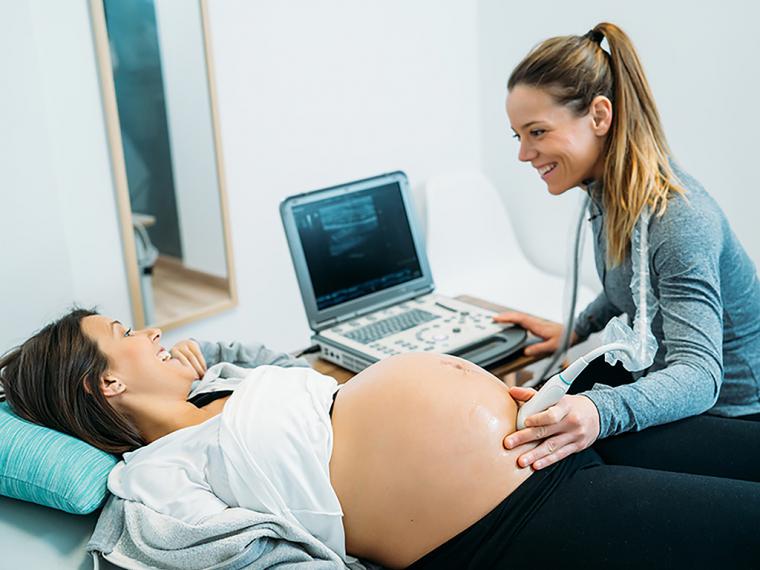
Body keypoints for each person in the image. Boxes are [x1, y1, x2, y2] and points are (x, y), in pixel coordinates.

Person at [2, 308, 760, 569]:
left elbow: (286, 357)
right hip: (510, 517)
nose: (157, 331)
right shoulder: (156, 483)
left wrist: (201, 367)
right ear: (103, 384)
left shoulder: (225, 385)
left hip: (551, 429)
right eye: (128, 333)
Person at [496, 22, 760, 478]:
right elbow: (633, 286)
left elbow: (699, 376)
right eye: (517, 135)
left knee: (575, 459)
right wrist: (575, 330)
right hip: (668, 381)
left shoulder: (679, 222)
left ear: (600, 116)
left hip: (733, 413)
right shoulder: (609, 195)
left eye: (537, 132)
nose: (524, 153)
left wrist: (599, 412)